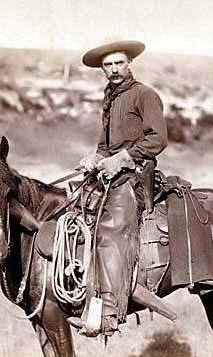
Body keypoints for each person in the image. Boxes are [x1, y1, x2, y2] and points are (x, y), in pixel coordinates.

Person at [68, 40, 168, 337]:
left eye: (118, 63)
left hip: (135, 177)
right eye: (107, 65)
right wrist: (95, 158)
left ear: (129, 64)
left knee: (111, 230)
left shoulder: (145, 95)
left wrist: (122, 158)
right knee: (74, 211)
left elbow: (158, 139)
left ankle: (109, 313)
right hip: (111, 174)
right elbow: (105, 145)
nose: (113, 69)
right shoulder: (110, 98)